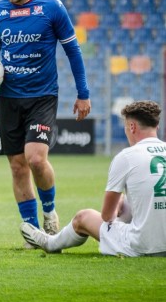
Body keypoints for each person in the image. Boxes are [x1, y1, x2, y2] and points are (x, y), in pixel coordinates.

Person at [0, 0, 91, 245]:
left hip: (42, 96)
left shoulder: (52, 8)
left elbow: (73, 51)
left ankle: (49, 213)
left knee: (36, 159)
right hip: (9, 98)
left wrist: (83, 93)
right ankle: (32, 231)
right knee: (17, 166)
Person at [21, 100, 166, 256]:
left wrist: (117, 210)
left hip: (143, 247)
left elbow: (107, 216)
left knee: (83, 217)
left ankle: (50, 243)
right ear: (156, 127)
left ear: (132, 127)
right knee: (128, 202)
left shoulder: (126, 157)